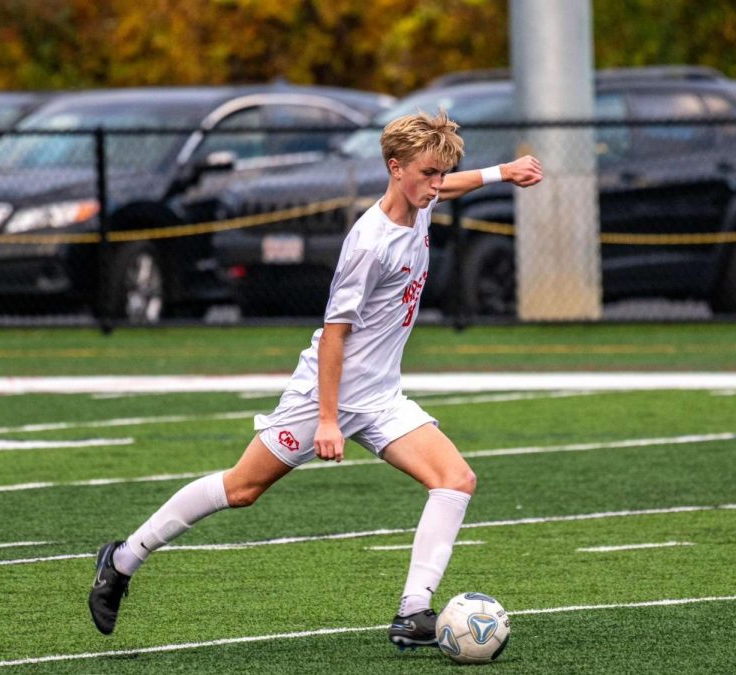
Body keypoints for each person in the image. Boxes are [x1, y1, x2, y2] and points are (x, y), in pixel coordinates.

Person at [89, 110, 543, 648]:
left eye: (441, 174)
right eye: (427, 174)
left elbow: (450, 184)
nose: (436, 185)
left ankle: (413, 611)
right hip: (322, 395)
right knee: (243, 488)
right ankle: (122, 560)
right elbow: (333, 336)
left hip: (379, 397)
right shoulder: (369, 243)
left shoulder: (423, 199)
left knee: (456, 480)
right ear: (395, 169)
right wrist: (328, 420)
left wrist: (502, 172)